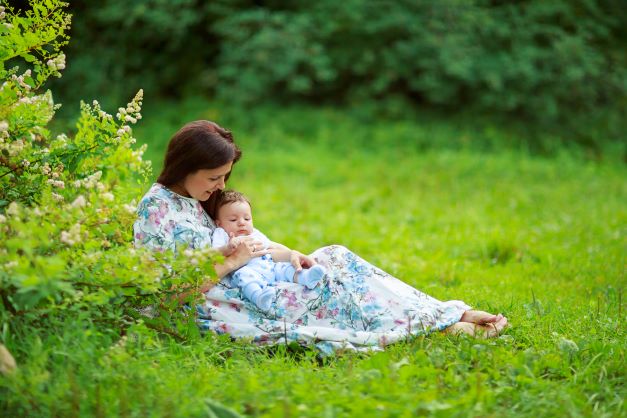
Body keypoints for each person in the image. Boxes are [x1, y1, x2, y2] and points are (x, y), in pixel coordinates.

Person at [133, 120, 508, 353]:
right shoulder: (158, 210)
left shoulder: (200, 197)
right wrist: (234, 261)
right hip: (224, 302)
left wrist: (290, 253)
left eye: (225, 177)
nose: (221, 186)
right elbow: (169, 292)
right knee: (326, 289)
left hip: (255, 276)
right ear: (185, 166)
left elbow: (251, 243)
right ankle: (439, 327)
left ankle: (443, 312)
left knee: (333, 256)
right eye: (214, 176)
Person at [211, 190, 325, 311]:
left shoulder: (255, 233)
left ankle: (306, 277)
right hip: (247, 270)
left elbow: (271, 247)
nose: (241, 223)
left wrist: (292, 254)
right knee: (245, 278)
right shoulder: (222, 234)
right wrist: (228, 248)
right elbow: (216, 254)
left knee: (285, 268)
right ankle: (258, 297)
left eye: (247, 218)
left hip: (269, 266)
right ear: (219, 223)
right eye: (233, 220)